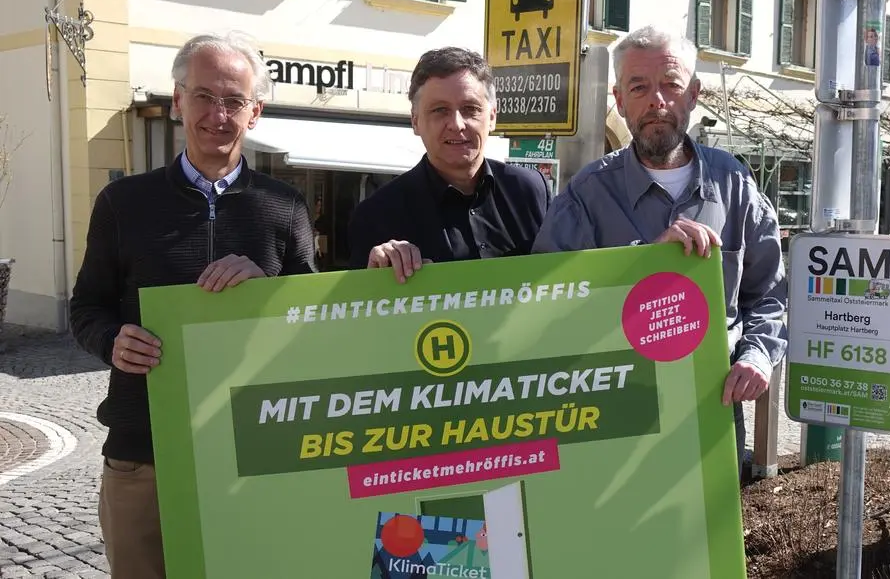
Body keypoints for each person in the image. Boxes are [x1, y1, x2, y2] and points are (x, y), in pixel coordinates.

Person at [68, 32, 317, 578]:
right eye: (204, 96)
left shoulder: (285, 208)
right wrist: (112, 341)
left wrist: (270, 294)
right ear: (178, 100)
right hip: (144, 451)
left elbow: (311, 328)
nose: (217, 114)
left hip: (253, 451)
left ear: (255, 113)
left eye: (233, 101)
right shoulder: (122, 203)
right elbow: (85, 308)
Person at [531, 24, 788, 472]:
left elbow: (769, 295)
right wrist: (646, 264)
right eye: (639, 87)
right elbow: (546, 307)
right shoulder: (586, 196)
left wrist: (758, 354)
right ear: (618, 98)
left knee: (708, 541)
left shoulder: (736, 185)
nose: (657, 101)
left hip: (712, 414)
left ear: (694, 93)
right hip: (610, 421)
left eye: (671, 85)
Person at [348, 47, 552, 281]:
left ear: (493, 117)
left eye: (470, 109)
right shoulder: (376, 216)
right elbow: (361, 312)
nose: (457, 124)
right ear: (415, 122)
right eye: (440, 110)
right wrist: (376, 278)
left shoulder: (530, 190)